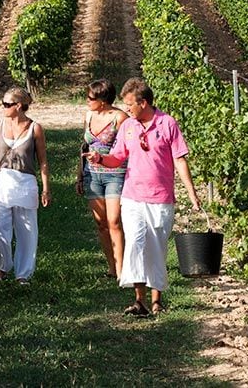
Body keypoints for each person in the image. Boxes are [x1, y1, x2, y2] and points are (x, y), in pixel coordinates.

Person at [84, 78, 201, 317]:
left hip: (160, 197)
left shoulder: (167, 124)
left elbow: (179, 159)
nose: (126, 109)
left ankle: (157, 299)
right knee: (135, 244)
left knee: (156, 247)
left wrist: (191, 192)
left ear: (143, 103)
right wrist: (100, 159)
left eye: (130, 105)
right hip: (132, 196)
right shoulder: (128, 127)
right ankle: (139, 300)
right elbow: (117, 157)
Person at [0, 87, 51, 286]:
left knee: (27, 230)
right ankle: (2, 268)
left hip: (24, 183)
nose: (3, 107)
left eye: (7, 104)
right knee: (0, 229)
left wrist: (46, 188)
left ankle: (23, 274)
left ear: (18, 106)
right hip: (1, 183)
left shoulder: (34, 128)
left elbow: (43, 161)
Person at [75, 79, 127, 279]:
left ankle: (122, 269)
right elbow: (84, 147)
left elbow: (126, 149)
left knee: (114, 221)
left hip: (115, 174)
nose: (87, 101)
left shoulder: (120, 118)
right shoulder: (88, 116)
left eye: (90, 98)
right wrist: (80, 176)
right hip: (92, 174)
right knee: (100, 223)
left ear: (103, 100)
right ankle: (111, 268)